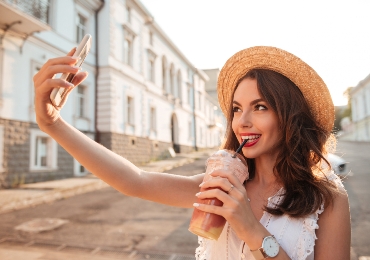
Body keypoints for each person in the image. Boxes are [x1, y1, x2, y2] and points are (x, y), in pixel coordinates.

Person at [33, 46, 351, 260]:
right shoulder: (222, 183)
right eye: (237, 108)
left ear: (290, 115)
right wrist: (53, 124)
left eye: (261, 107)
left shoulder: (328, 199)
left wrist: (250, 228)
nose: (242, 121)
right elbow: (135, 180)